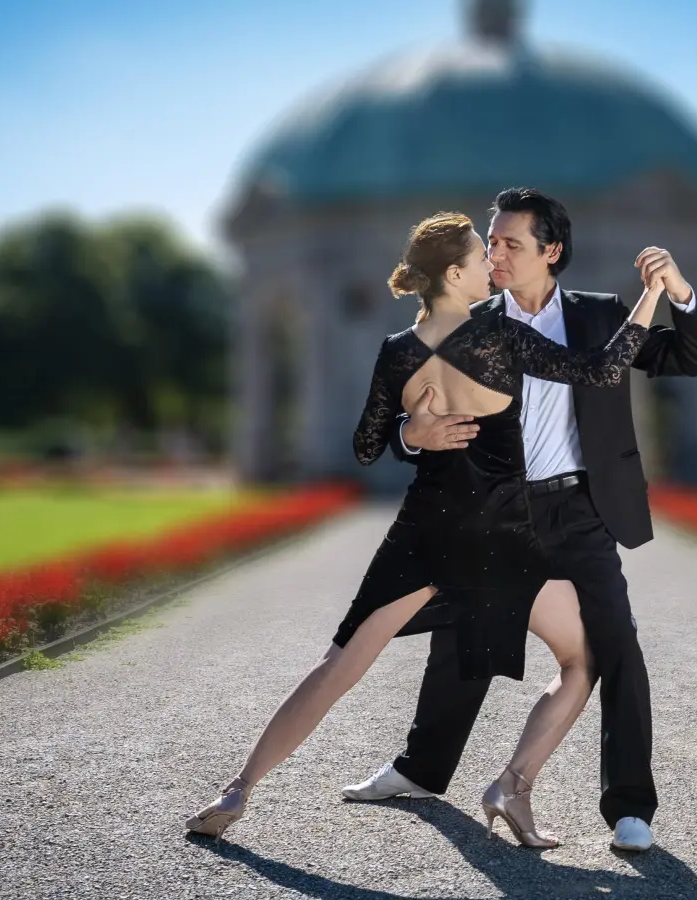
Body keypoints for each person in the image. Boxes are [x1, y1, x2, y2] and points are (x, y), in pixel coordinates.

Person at [183, 210, 667, 846]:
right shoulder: (501, 337)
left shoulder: (396, 351)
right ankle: (511, 787)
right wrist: (652, 297)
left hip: (422, 533)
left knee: (336, 666)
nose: (492, 266)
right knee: (583, 660)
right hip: (498, 540)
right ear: (456, 273)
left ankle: (238, 789)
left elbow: (364, 446)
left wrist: (413, 433)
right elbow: (604, 371)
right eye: (481, 257)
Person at [341, 187, 697, 853]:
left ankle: (629, 808)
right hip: (495, 509)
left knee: (616, 645)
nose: (497, 253)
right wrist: (411, 435)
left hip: (580, 508)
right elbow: (400, 419)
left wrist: (678, 291)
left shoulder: (603, 317)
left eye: (512, 242)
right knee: (464, 633)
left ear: (552, 251)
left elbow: (691, 356)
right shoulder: (468, 324)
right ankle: (419, 771)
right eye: (492, 243)